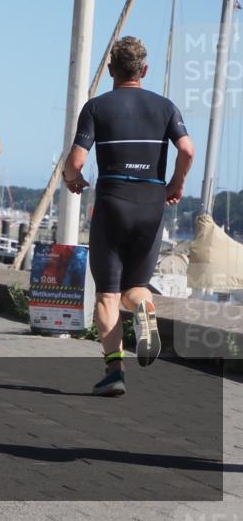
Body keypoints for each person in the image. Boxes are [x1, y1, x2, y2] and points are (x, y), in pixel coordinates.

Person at [62, 37, 193, 397]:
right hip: (151, 201)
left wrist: (73, 181)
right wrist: (174, 184)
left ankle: (114, 370)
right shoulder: (165, 107)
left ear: (110, 71)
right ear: (144, 70)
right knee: (134, 289)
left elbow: (75, 162)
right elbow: (187, 149)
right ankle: (145, 310)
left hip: (113, 200)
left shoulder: (96, 107)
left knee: (107, 294)